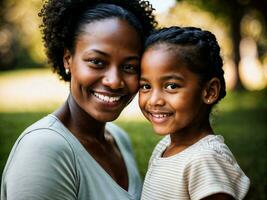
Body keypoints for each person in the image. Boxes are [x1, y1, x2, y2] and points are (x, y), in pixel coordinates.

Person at [1, 0, 157, 199]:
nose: (114, 81)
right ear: (68, 59)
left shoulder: (118, 138)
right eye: (97, 62)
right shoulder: (43, 150)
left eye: (129, 67)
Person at [138, 26, 250, 200]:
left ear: (209, 91)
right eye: (146, 86)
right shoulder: (165, 145)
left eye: (171, 86)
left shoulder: (205, 159)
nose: (154, 100)